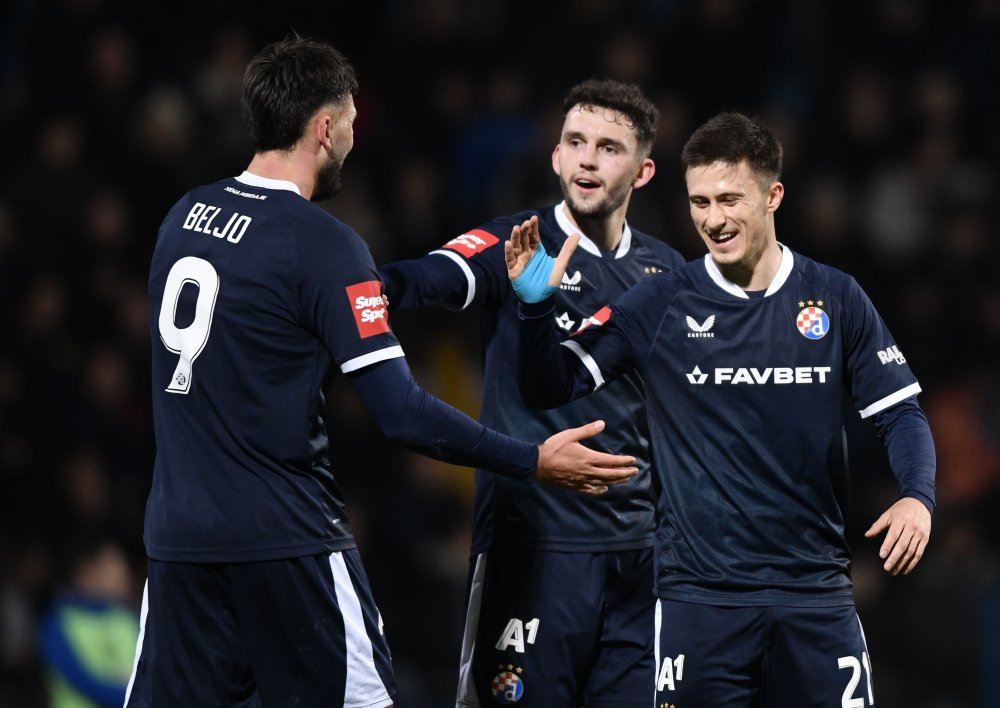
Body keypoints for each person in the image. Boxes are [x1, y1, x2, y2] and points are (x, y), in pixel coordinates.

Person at [124, 36, 638, 708]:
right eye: (351, 120)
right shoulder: (323, 243)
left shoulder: (183, 217)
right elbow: (402, 412)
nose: (354, 135)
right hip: (286, 541)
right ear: (324, 127)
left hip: (178, 541)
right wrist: (532, 460)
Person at [505, 111, 935, 706]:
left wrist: (917, 495)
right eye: (699, 202)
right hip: (700, 601)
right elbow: (550, 386)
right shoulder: (660, 303)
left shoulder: (835, 297)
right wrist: (534, 311)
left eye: (729, 200)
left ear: (773, 196)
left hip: (814, 593)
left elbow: (900, 413)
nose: (713, 219)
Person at [379, 78, 685, 707]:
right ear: (554, 156)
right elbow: (426, 278)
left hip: (638, 559)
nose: (587, 160)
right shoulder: (516, 243)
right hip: (532, 547)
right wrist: (351, 283)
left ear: (644, 170)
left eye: (608, 147)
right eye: (575, 142)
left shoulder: (667, 273)